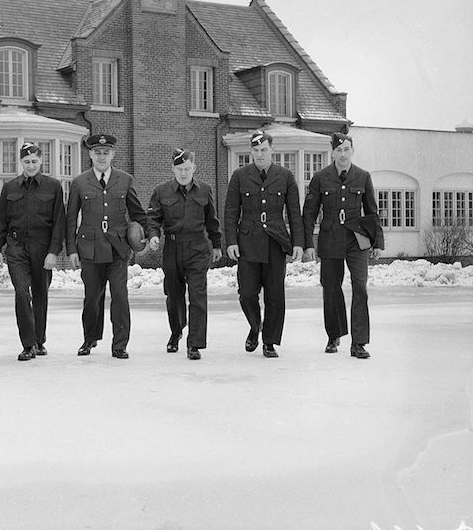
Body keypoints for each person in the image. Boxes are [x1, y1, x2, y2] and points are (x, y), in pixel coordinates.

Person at [65, 134, 148, 359]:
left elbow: (138, 213)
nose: (102, 156)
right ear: (90, 154)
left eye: (106, 152)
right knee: (92, 297)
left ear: (113, 154)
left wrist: (147, 236)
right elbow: (71, 218)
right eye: (97, 152)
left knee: (120, 296)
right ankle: (89, 339)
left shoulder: (125, 180)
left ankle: (120, 344)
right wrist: (71, 249)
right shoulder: (80, 182)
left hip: (118, 248)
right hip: (90, 248)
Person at [302, 132, 384, 359]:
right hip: (330, 237)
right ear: (332, 152)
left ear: (352, 151)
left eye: (346, 149)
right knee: (331, 287)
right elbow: (309, 213)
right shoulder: (320, 178)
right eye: (338, 150)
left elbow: (372, 211)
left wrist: (377, 243)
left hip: (357, 239)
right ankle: (334, 335)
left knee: (360, 286)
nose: (343, 154)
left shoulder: (363, 176)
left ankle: (359, 343)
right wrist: (308, 244)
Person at [224, 130, 304, 358]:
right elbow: (231, 211)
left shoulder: (285, 176)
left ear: (272, 150)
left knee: (274, 295)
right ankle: (255, 326)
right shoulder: (240, 176)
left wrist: (298, 242)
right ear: (251, 151)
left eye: (264, 150)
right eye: (256, 151)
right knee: (247, 293)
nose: (260, 155)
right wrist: (231, 240)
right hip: (248, 241)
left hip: (275, 242)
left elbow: (294, 213)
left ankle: (269, 341)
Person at [0, 142, 65, 361]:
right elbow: (0, 220)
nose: (31, 165)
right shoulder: (10, 187)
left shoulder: (53, 186)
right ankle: (28, 344)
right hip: (17, 248)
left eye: (34, 161)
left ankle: (39, 340)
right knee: (22, 292)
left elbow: (59, 222)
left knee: (40, 294)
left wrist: (53, 252)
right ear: (21, 163)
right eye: (26, 162)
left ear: (41, 161)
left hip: (42, 248)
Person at [147, 149, 222, 360]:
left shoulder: (204, 191)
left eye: (187, 169)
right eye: (179, 169)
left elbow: (212, 221)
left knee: (198, 296)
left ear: (194, 168)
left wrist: (216, 245)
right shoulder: (161, 191)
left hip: (198, 248)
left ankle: (195, 343)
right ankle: (176, 330)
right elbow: (153, 217)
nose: (183, 173)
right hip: (172, 248)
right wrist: (153, 235)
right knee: (174, 295)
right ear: (173, 169)